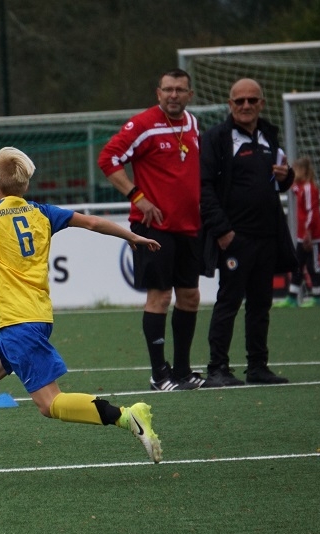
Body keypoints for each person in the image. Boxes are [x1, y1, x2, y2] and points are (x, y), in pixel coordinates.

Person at [0, 147, 162, 486]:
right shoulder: (42, 211)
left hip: (20, 322)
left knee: (50, 404)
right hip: (35, 317)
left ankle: (125, 416)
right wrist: (131, 235)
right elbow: (93, 222)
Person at [98, 68, 204, 392]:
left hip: (189, 225)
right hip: (153, 227)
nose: (174, 95)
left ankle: (183, 371)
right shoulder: (143, 125)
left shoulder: (192, 123)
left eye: (180, 90)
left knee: (190, 296)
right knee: (160, 296)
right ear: (158, 93)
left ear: (189, 95)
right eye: (168, 89)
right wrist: (137, 196)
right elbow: (108, 159)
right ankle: (159, 374)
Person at [200, 78, 298, 387]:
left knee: (261, 303)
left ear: (261, 104)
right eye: (239, 100)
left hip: (267, 236)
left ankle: (258, 366)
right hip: (234, 238)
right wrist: (222, 230)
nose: (246, 105)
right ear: (230, 104)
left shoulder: (269, 134)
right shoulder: (216, 138)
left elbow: (280, 180)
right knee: (229, 302)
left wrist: (287, 176)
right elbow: (203, 187)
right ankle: (217, 368)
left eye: (252, 100)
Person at [275, 156, 320, 308]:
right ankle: (292, 297)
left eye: (296, 170)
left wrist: (308, 232)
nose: (294, 173)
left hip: (311, 236)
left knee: (313, 266)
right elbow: (294, 188)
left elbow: (311, 212)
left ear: (303, 171)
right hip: (302, 236)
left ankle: (317, 297)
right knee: (297, 264)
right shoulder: (302, 187)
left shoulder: (310, 188)